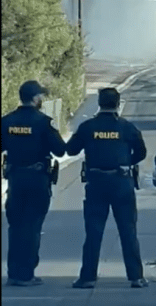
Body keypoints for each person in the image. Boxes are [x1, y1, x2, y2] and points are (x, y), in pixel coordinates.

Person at [66, 87, 148, 289]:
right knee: (128, 230)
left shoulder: (87, 127)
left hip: (96, 182)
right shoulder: (126, 127)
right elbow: (141, 152)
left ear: (99, 103)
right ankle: (136, 277)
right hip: (122, 182)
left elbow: (71, 149)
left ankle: (88, 278)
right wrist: (126, 161)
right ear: (118, 104)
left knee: (93, 231)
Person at [1, 80, 66, 286]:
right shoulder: (43, 122)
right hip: (38, 179)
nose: (43, 100)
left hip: (15, 179)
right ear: (35, 98)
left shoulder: (6, 121)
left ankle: (13, 272)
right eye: (41, 96)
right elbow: (60, 150)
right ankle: (26, 273)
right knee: (32, 225)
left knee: (16, 225)